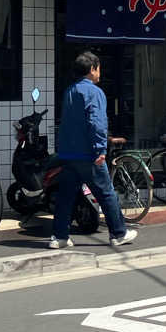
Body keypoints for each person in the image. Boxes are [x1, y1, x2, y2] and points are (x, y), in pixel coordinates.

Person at [50, 51, 138, 249]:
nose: (100, 73)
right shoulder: (95, 92)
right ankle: (118, 233)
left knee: (66, 196)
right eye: (98, 68)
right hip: (88, 154)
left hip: (68, 153)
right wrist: (100, 149)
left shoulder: (70, 91)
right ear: (92, 69)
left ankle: (59, 237)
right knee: (106, 193)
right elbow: (97, 123)